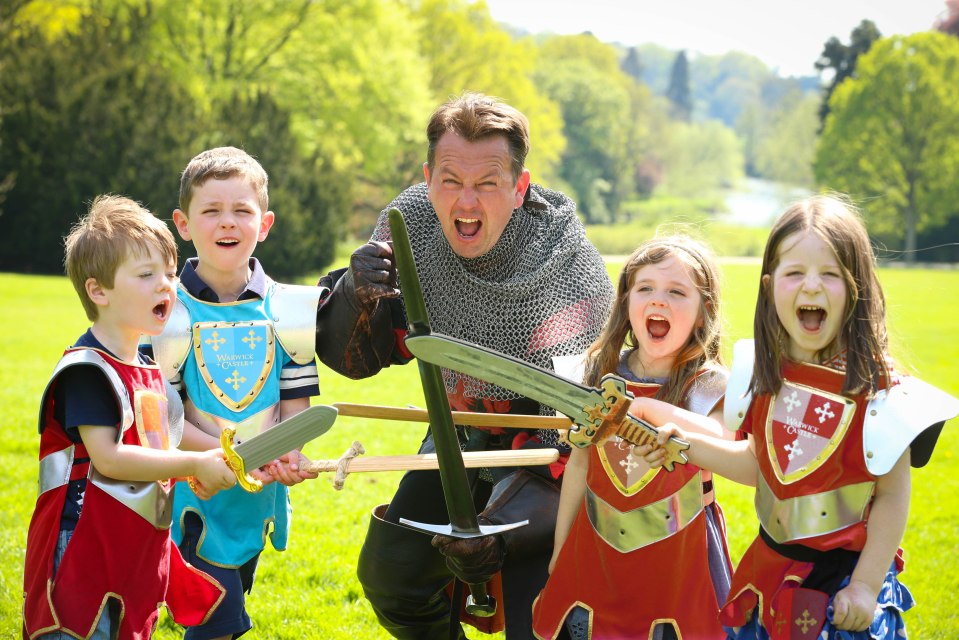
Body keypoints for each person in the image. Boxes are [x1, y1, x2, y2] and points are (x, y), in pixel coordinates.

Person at [314, 92, 615, 638]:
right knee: (393, 573)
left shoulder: (564, 259)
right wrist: (357, 298)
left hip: (544, 454)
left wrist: (501, 531)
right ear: (429, 178)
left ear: (520, 188)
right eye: (451, 181)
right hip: (456, 432)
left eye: (487, 183)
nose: (466, 203)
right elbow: (357, 363)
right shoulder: (408, 227)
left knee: (540, 613)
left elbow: (578, 429)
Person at [641, 195, 959, 638]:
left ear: (856, 287)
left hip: (843, 587)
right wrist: (683, 443)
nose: (811, 287)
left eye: (830, 274)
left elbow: (891, 496)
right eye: (795, 273)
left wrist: (866, 586)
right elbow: (759, 466)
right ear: (770, 286)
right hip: (769, 569)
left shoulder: (881, 391)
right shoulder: (761, 373)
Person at [22, 195, 237, 639]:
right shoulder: (89, 370)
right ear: (98, 291)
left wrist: (238, 456)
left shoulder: (146, 365)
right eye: (146, 275)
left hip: (135, 546)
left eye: (170, 273)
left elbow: (167, 441)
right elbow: (111, 458)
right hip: (84, 547)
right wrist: (195, 466)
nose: (166, 286)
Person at [148, 146, 325, 639]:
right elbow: (165, 417)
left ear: (264, 223)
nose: (227, 223)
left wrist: (288, 451)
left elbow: (295, 407)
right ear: (183, 224)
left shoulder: (289, 310)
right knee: (216, 620)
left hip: (256, 497)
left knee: (226, 607)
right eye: (211, 211)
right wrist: (229, 459)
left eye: (241, 211)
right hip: (191, 491)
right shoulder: (164, 312)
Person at [531, 236, 734, 640]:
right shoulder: (595, 375)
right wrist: (559, 551)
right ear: (626, 301)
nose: (659, 300)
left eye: (677, 292)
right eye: (645, 289)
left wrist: (653, 412)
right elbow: (580, 465)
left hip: (681, 550)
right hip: (598, 546)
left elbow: (724, 438)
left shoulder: (710, 386)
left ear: (702, 312)